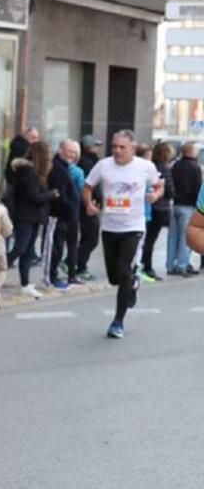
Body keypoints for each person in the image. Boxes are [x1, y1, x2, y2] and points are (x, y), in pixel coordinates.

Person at [82, 130, 163, 339]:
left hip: (134, 227)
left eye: (122, 147)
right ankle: (133, 283)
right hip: (110, 227)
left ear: (132, 149)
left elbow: (159, 184)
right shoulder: (103, 165)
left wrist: (154, 194)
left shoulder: (145, 167)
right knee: (114, 278)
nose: (117, 151)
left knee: (123, 269)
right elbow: (87, 186)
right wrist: (89, 205)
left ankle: (118, 322)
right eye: (114, 147)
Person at [6, 141, 56, 298]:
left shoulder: (36, 172)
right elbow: (34, 196)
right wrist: (52, 194)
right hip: (25, 216)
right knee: (20, 248)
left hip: (34, 217)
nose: (49, 157)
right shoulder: (28, 172)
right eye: (47, 154)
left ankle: (25, 283)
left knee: (27, 251)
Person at [47, 139, 81, 289]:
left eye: (74, 152)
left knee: (65, 247)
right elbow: (59, 193)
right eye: (69, 151)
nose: (72, 155)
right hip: (59, 215)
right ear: (60, 150)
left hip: (69, 216)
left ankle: (69, 275)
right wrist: (68, 208)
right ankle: (51, 277)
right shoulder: (57, 168)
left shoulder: (65, 167)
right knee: (55, 248)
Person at [140, 141, 174, 281]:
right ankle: (147, 266)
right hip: (160, 207)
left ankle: (143, 264)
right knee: (151, 239)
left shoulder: (150, 167)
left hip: (149, 206)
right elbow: (170, 191)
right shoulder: (164, 169)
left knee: (146, 238)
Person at [168, 141, 201, 277]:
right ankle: (182, 265)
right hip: (188, 206)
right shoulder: (195, 168)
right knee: (186, 237)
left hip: (175, 204)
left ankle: (170, 265)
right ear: (191, 152)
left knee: (172, 237)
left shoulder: (175, 165)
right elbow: (198, 189)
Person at [76, 134, 103, 280]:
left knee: (88, 236)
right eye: (96, 145)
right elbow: (89, 185)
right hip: (88, 204)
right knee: (92, 237)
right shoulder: (87, 162)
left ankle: (76, 262)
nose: (98, 148)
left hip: (90, 203)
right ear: (88, 147)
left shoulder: (90, 161)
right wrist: (91, 202)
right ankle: (78, 264)